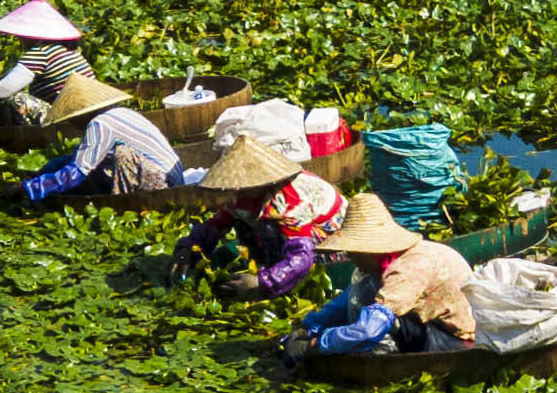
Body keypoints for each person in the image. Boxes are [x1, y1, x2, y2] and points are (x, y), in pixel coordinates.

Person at [289, 194, 476, 354]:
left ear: (370, 249)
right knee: (363, 295)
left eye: (353, 252)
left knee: (377, 323)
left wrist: (315, 345)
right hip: (426, 325)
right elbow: (346, 300)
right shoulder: (380, 265)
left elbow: (368, 331)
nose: (351, 257)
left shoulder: (407, 269)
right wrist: (308, 328)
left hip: (450, 338)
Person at [165, 137, 341, 300]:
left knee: (270, 227)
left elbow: (302, 255)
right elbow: (218, 223)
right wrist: (189, 248)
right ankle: (267, 263)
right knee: (244, 221)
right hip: (298, 238)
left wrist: (262, 283)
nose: (235, 189)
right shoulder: (244, 194)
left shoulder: (287, 200)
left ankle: (277, 276)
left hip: (331, 243)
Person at [17, 77, 190, 207]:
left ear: (81, 114)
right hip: (173, 176)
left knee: (121, 155)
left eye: (71, 119)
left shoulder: (100, 124)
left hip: (165, 185)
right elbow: (78, 158)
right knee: (100, 163)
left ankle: (126, 205)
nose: (72, 124)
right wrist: (42, 173)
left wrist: (29, 188)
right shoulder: (120, 112)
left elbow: (77, 171)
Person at [0, 0, 92, 124]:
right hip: (88, 110)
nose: (19, 37)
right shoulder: (66, 49)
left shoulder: (40, 52)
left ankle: (28, 137)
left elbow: (3, 91)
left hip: (68, 116)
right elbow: (11, 76)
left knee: (17, 99)